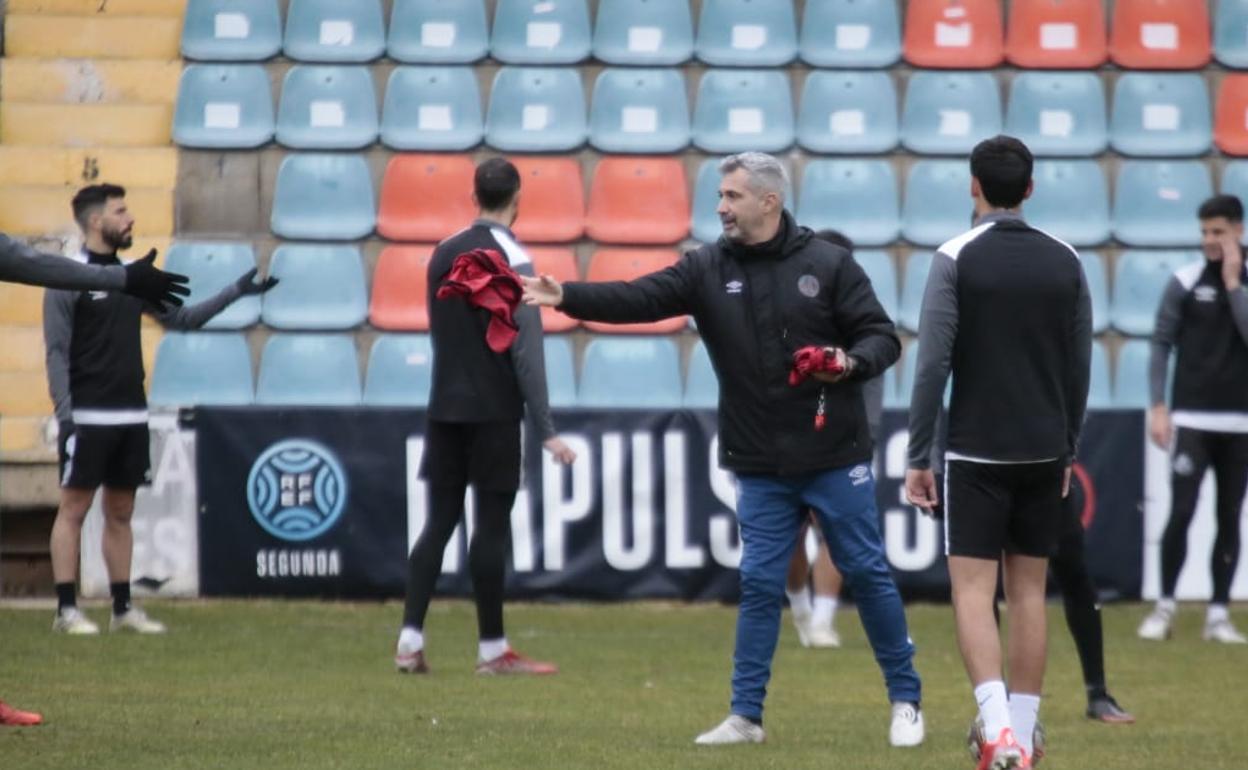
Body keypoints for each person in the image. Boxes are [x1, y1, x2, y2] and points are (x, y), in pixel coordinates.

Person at [523, 152, 924, 748]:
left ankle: (906, 701)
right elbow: (639, 298)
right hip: (758, 460)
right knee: (760, 584)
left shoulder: (830, 264)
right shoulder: (706, 267)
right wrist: (567, 297)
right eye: (721, 196)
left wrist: (849, 361)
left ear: (769, 201)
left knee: (866, 571)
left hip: (834, 454)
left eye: (732, 196)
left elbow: (881, 337)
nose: (720, 207)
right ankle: (746, 716)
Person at [905, 135, 1092, 769]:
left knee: (972, 592)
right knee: (1031, 594)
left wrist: (917, 454)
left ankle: (997, 733)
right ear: (1030, 189)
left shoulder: (954, 257)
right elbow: (1079, 366)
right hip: (1043, 449)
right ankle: (1026, 729)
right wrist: (1069, 446)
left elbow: (932, 364)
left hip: (976, 450)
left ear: (973, 186)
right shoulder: (1066, 260)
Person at [44, 184, 277, 636]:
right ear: (96, 221)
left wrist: (236, 291)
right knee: (73, 508)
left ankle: (121, 608)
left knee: (121, 511)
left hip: (131, 414)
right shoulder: (66, 277)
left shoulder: (135, 276)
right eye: (121, 211)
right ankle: (66, 610)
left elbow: (183, 319)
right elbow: (55, 351)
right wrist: (66, 414)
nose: (130, 218)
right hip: (86, 417)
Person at [395, 157, 576, 676]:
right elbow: (527, 352)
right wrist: (545, 429)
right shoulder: (515, 260)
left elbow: (441, 330)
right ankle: (492, 651)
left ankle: (409, 641)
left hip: (445, 405)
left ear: (473, 196)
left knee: (438, 521)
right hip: (494, 408)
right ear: (518, 197)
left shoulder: (442, 253)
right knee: (491, 527)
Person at [1138, 193, 1248, 645]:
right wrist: (1159, 406)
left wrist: (1233, 284)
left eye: (1218, 231)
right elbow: (1161, 343)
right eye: (1204, 232)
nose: (1209, 240)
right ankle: (1165, 606)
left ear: (1238, 231)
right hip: (1192, 420)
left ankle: (1218, 613)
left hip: (1240, 424)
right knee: (1180, 512)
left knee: (1229, 516)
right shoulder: (1183, 281)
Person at [784, 229, 887, 651]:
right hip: (788, 442)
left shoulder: (864, 322)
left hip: (843, 444)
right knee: (789, 537)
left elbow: (872, 386)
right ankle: (801, 610)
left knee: (835, 532)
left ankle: (823, 621)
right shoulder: (790, 315)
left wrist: (864, 441)